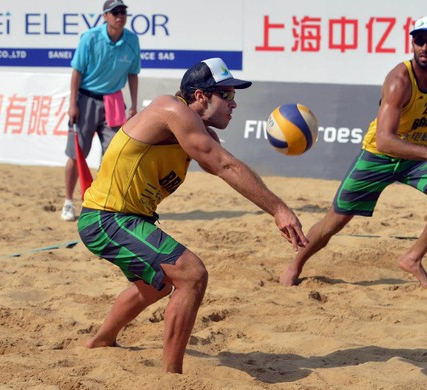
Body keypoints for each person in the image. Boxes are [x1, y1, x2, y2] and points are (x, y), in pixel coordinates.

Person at [77, 57, 308, 373]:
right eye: (227, 95)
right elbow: (224, 165)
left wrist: (270, 201)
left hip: (132, 219)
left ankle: (101, 341)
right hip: (106, 218)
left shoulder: (200, 134)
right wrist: (279, 210)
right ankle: (172, 377)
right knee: (191, 274)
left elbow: (228, 168)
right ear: (200, 96)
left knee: (155, 286)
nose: (234, 104)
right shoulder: (169, 109)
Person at [280, 16, 427, 291]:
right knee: (335, 220)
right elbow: (384, 141)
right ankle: (295, 266)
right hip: (380, 155)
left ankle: (412, 257)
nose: (423, 47)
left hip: (418, 158)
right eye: (419, 40)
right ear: (413, 42)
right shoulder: (399, 80)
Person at [61, 0, 141, 221]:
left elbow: (133, 74)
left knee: (114, 155)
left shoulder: (132, 40)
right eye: (114, 12)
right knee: (76, 154)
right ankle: (68, 201)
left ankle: (103, 203)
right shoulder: (90, 38)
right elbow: (76, 72)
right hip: (86, 98)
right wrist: (72, 103)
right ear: (105, 16)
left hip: (114, 101)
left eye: (123, 12)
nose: (120, 16)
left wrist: (133, 105)